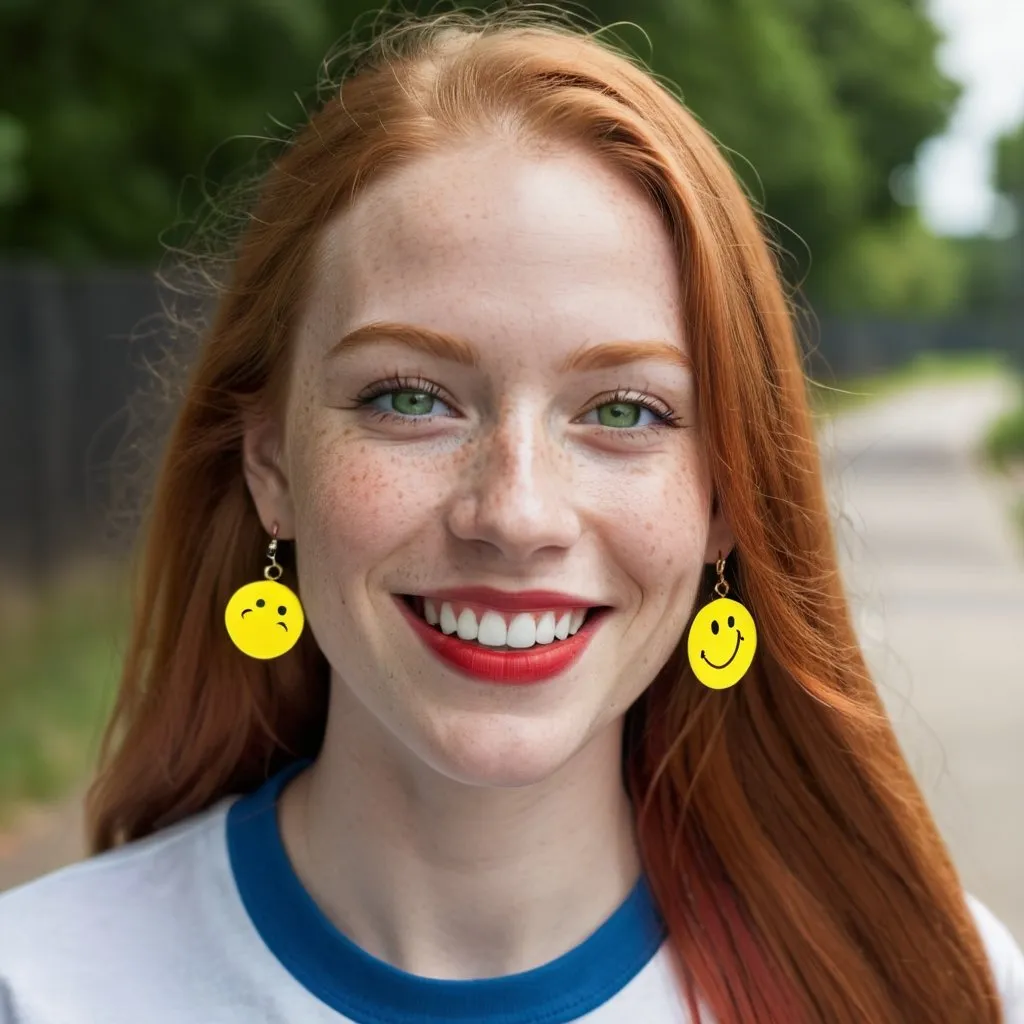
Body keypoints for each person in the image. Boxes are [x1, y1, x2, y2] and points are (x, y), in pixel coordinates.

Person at [1, 8, 1022, 1023]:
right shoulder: (39, 988)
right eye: (410, 397)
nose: (517, 512)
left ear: (724, 500)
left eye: (624, 410)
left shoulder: (924, 987)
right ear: (270, 463)